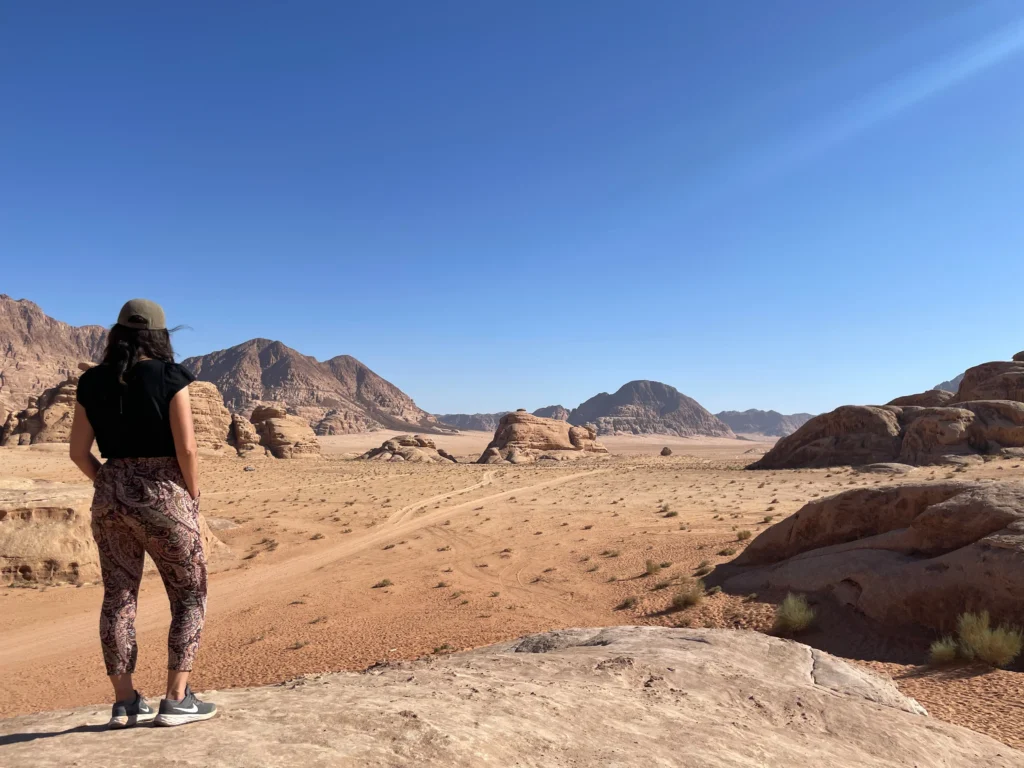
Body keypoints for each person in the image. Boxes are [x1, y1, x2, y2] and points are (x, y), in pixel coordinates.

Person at [69, 298, 217, 728]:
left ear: (117, 333)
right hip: (164, 494)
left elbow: (79, 453)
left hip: (111, 495)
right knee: (189, 595)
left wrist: (110, 482)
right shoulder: (171, 376)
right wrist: (190, 492)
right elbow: (186, 447)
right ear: (160, 334)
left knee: (118, 597)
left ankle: (125, 702)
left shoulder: (91, 382)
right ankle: (176, 699)